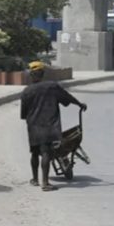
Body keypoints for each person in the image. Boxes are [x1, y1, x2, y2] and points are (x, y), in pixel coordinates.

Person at [20, 61, 87, 191]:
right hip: (49, 125)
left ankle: (35, 179)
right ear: (43, 74)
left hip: (33, 126)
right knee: (46, 152)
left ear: (31, 76)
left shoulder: (26, 91)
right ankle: (45, 183)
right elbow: (67, 97)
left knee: (34, 152)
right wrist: (79, 104)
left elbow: (23, 114)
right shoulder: (52, 86)